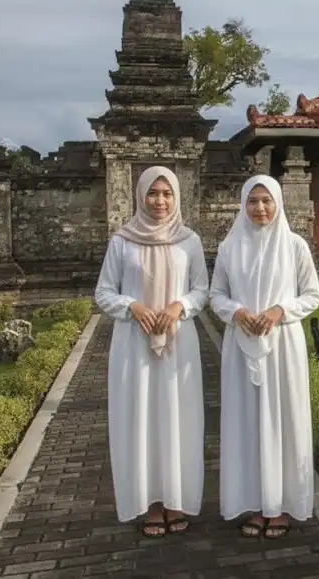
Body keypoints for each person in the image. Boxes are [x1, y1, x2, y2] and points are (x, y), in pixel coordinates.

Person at [93, 166, 209, 537]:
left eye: (167, 194)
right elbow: (103, 293)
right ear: (141, 195)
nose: (160, 201)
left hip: (179, 343)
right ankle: (149, 503)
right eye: (153, 193)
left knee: (179, 419)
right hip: (134, 344)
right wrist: (133, 306)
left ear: (177, 197)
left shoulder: (189, 240)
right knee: (141, 420)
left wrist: (178, 307)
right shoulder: (122, 241)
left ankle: (176, 499)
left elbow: (202, 290)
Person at [209, 174, 319, 539]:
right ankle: (255, 503)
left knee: (282, 420)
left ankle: (282, 504)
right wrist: (238, 312)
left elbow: (311, 294)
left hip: (283, 346)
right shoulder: (229, 248)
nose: (260, 208)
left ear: (278, 204)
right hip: (241, 347)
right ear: (243, 204)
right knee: (247, 423)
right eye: (253, 201)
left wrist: (278, 311)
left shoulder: (294, 246)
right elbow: (216, 295)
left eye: (266, 201)